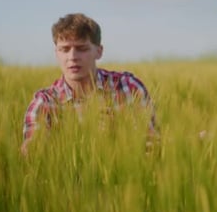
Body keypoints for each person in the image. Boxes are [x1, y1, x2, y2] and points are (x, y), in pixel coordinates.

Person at [21, 13, 157, 155]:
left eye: (82, 49)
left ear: (99, 52)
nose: (72, 57)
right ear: (56, 53)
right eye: (65, 49)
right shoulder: (44, 102)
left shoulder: (128, 87)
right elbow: (32, 154)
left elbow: (152, 146)